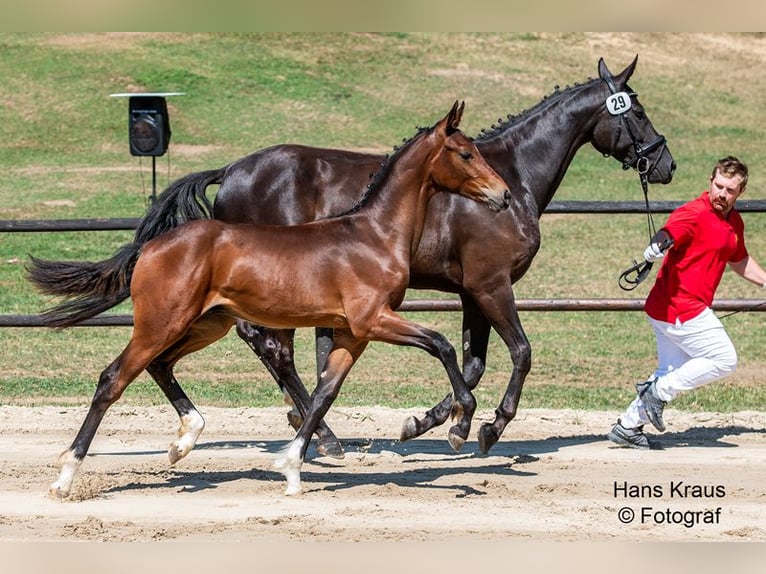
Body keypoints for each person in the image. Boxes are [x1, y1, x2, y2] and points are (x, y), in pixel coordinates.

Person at [608, 155, 766, 449]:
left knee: (669, 371)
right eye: (718, 185)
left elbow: (739, 259)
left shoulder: (734, 222)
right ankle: (658, 392)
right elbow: (670, 232)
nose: (722, 194)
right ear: (710, 181)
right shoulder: (693, 212)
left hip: (674, 309)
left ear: (740, 192)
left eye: (729, 190)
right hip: (679, 306)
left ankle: (628, 426)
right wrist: (658, 245)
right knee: (724, 359)